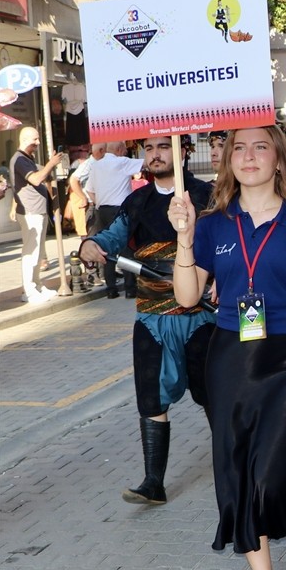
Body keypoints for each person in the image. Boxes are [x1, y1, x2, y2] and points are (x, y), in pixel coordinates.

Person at [170, 126, 286, 570]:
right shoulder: (212, 224)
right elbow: (185, 297)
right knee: (237, 472)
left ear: (279, 160)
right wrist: (183, 238)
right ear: (226, 161)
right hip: (229, 361)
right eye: (237, 147)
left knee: (273, 471)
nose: (248, 155)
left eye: (260, 146)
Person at [78, 136, 214, 505]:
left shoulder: (209, 196)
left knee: (215, 394)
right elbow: (112, 236)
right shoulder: (136, 201)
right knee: (150, 399)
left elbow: (225, 246)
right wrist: (91, 244)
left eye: (164, 147)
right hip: (152, 317)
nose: (155, 155)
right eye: (149, 149)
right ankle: (154, 482)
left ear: (183, 150)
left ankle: (234, 462)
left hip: (203, 317)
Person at [10, 126, 66, 303]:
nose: (38, 143)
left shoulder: (27, 158)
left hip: (36, 211)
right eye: (35, 140)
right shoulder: (19, 159)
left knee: (38, 251)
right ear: (26, 139)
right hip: (30, 212)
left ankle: (36, 285)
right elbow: (35, 179)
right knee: (31, 252)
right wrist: (51, 163)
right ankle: (29, 290)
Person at [89, 140, 145, 299]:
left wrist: (99, 201)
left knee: (106, 248)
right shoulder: (122, 162)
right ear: (120, 149)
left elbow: (89, 191)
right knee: (126, 249)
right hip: (119, 209)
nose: (126, 152)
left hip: (102, 210)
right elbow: (147, 163)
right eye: (125, 150)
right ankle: (130, 288)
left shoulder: (96, 165)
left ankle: (111, 289)